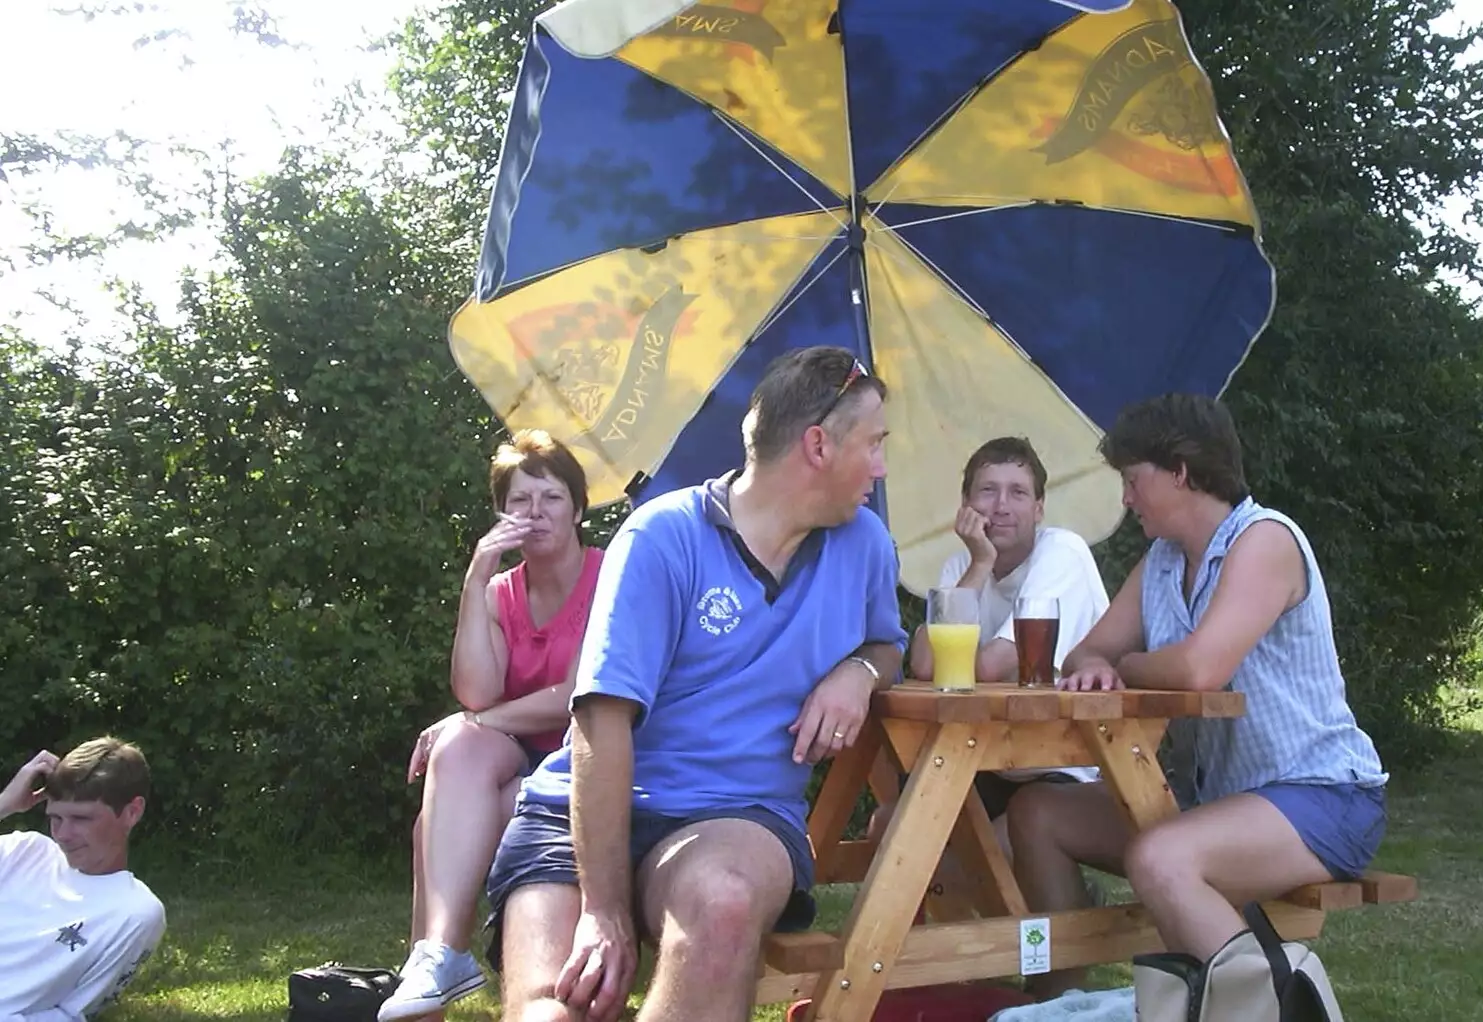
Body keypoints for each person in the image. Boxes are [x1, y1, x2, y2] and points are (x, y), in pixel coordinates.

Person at [487, 346, 907, 1022]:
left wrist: (857, 672)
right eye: (875, 443)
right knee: (551, 1013)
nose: (883, 466)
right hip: (581, 814)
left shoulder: (865, 545)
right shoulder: (664, 536)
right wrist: (603, 909)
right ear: (818, 446)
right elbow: (600, 720)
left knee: (724, 903)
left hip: (736, 814)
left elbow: (888, 642)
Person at [1007, 394, 1387, 994]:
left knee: (1164, 859)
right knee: (1039, 813)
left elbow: (1197, 669)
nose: (1126, 498)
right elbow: (1083, 653)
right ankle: (1057, 1004)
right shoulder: (1161, 561)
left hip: (1321, 795)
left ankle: (1274, 1007)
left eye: (1133, 480)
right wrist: (1101, 664)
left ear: (1180, 473)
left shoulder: (1266, 541)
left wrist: (1123, 666)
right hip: (1214, 803)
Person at [381, 431, 605, 1022]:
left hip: (590, 759)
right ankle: (438, 957)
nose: (535, 514)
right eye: (519, 502)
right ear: (501, 514)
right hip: (516, 760)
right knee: (457, 751)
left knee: (438, 817)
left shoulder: (611, 578)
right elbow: (476, 689)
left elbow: (578, 697)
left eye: (551, 498)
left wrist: (473, 720)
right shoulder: (501, 592)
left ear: (579, 508)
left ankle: (434, 967)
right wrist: (476, 580)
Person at [906, 436, 1110, 820]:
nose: (1001, 507)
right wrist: (981, 563)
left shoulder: (1063, 552)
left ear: (1038, 509)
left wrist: (958, 661)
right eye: (987, 491)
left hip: (1062, 763)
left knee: (960, 858)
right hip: (984, 759)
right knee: (895, 823)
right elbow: (924, 664)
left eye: (1017, 493)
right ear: (966, 505)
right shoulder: (963, 566)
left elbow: (989, 668)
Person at [1, 738, 166, 1021]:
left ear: (132, 812)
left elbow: (74, 1013)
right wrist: (4, 804)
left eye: (81, 819)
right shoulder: (24, 851)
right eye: (56, 818)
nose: (63, 834)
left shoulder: (134, 912)